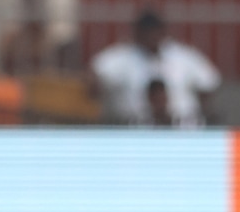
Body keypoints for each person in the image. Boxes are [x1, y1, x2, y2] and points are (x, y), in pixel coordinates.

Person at [90, 9, 220, 127]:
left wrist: (200, 113)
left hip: (181, 128)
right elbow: (95, 76)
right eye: (146, 32)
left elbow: (208, 83)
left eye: (154, 31)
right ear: (137, 33)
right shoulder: (122, 56)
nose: (150, 36)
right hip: (136, 130)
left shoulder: (183, 56)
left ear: (163, 32)